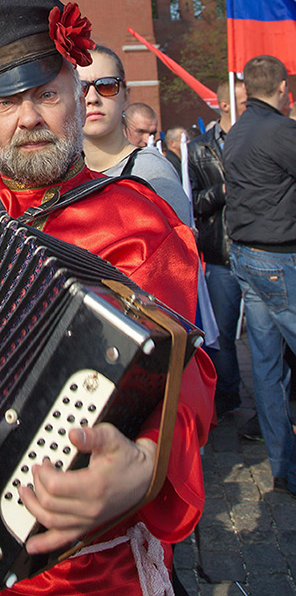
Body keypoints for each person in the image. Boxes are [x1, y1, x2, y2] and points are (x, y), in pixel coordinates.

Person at [0, 0, 214, 596]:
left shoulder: (141, 224)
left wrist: (143, 464)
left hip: (84, 571)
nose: (27, 118)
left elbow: (186, 373)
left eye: (46, 94)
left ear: (79, 98)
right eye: (6, 102)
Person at [224, 55, 296, 497]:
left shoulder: (237, 132)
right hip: (277, 260)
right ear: (283, 87)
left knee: (267, 370)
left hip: (246, 257)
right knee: (269, 369)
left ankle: (284, 466)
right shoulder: (280, 130)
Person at [188, 79, 247, 417]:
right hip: (221, 255)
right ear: (225, 105)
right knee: (222, 334)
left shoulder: (259, 142)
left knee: (265, 335)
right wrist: (222, 190)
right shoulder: (199, 149)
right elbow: (193, 202)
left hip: (258, 248)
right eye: (242, 100)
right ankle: (228, 395)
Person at [80, 46, 192, 224]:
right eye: (80, 88)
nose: (92, 98)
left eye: (107, 86)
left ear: (125, 97)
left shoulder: (151, 171)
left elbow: (179, 247)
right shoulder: (63, 173)